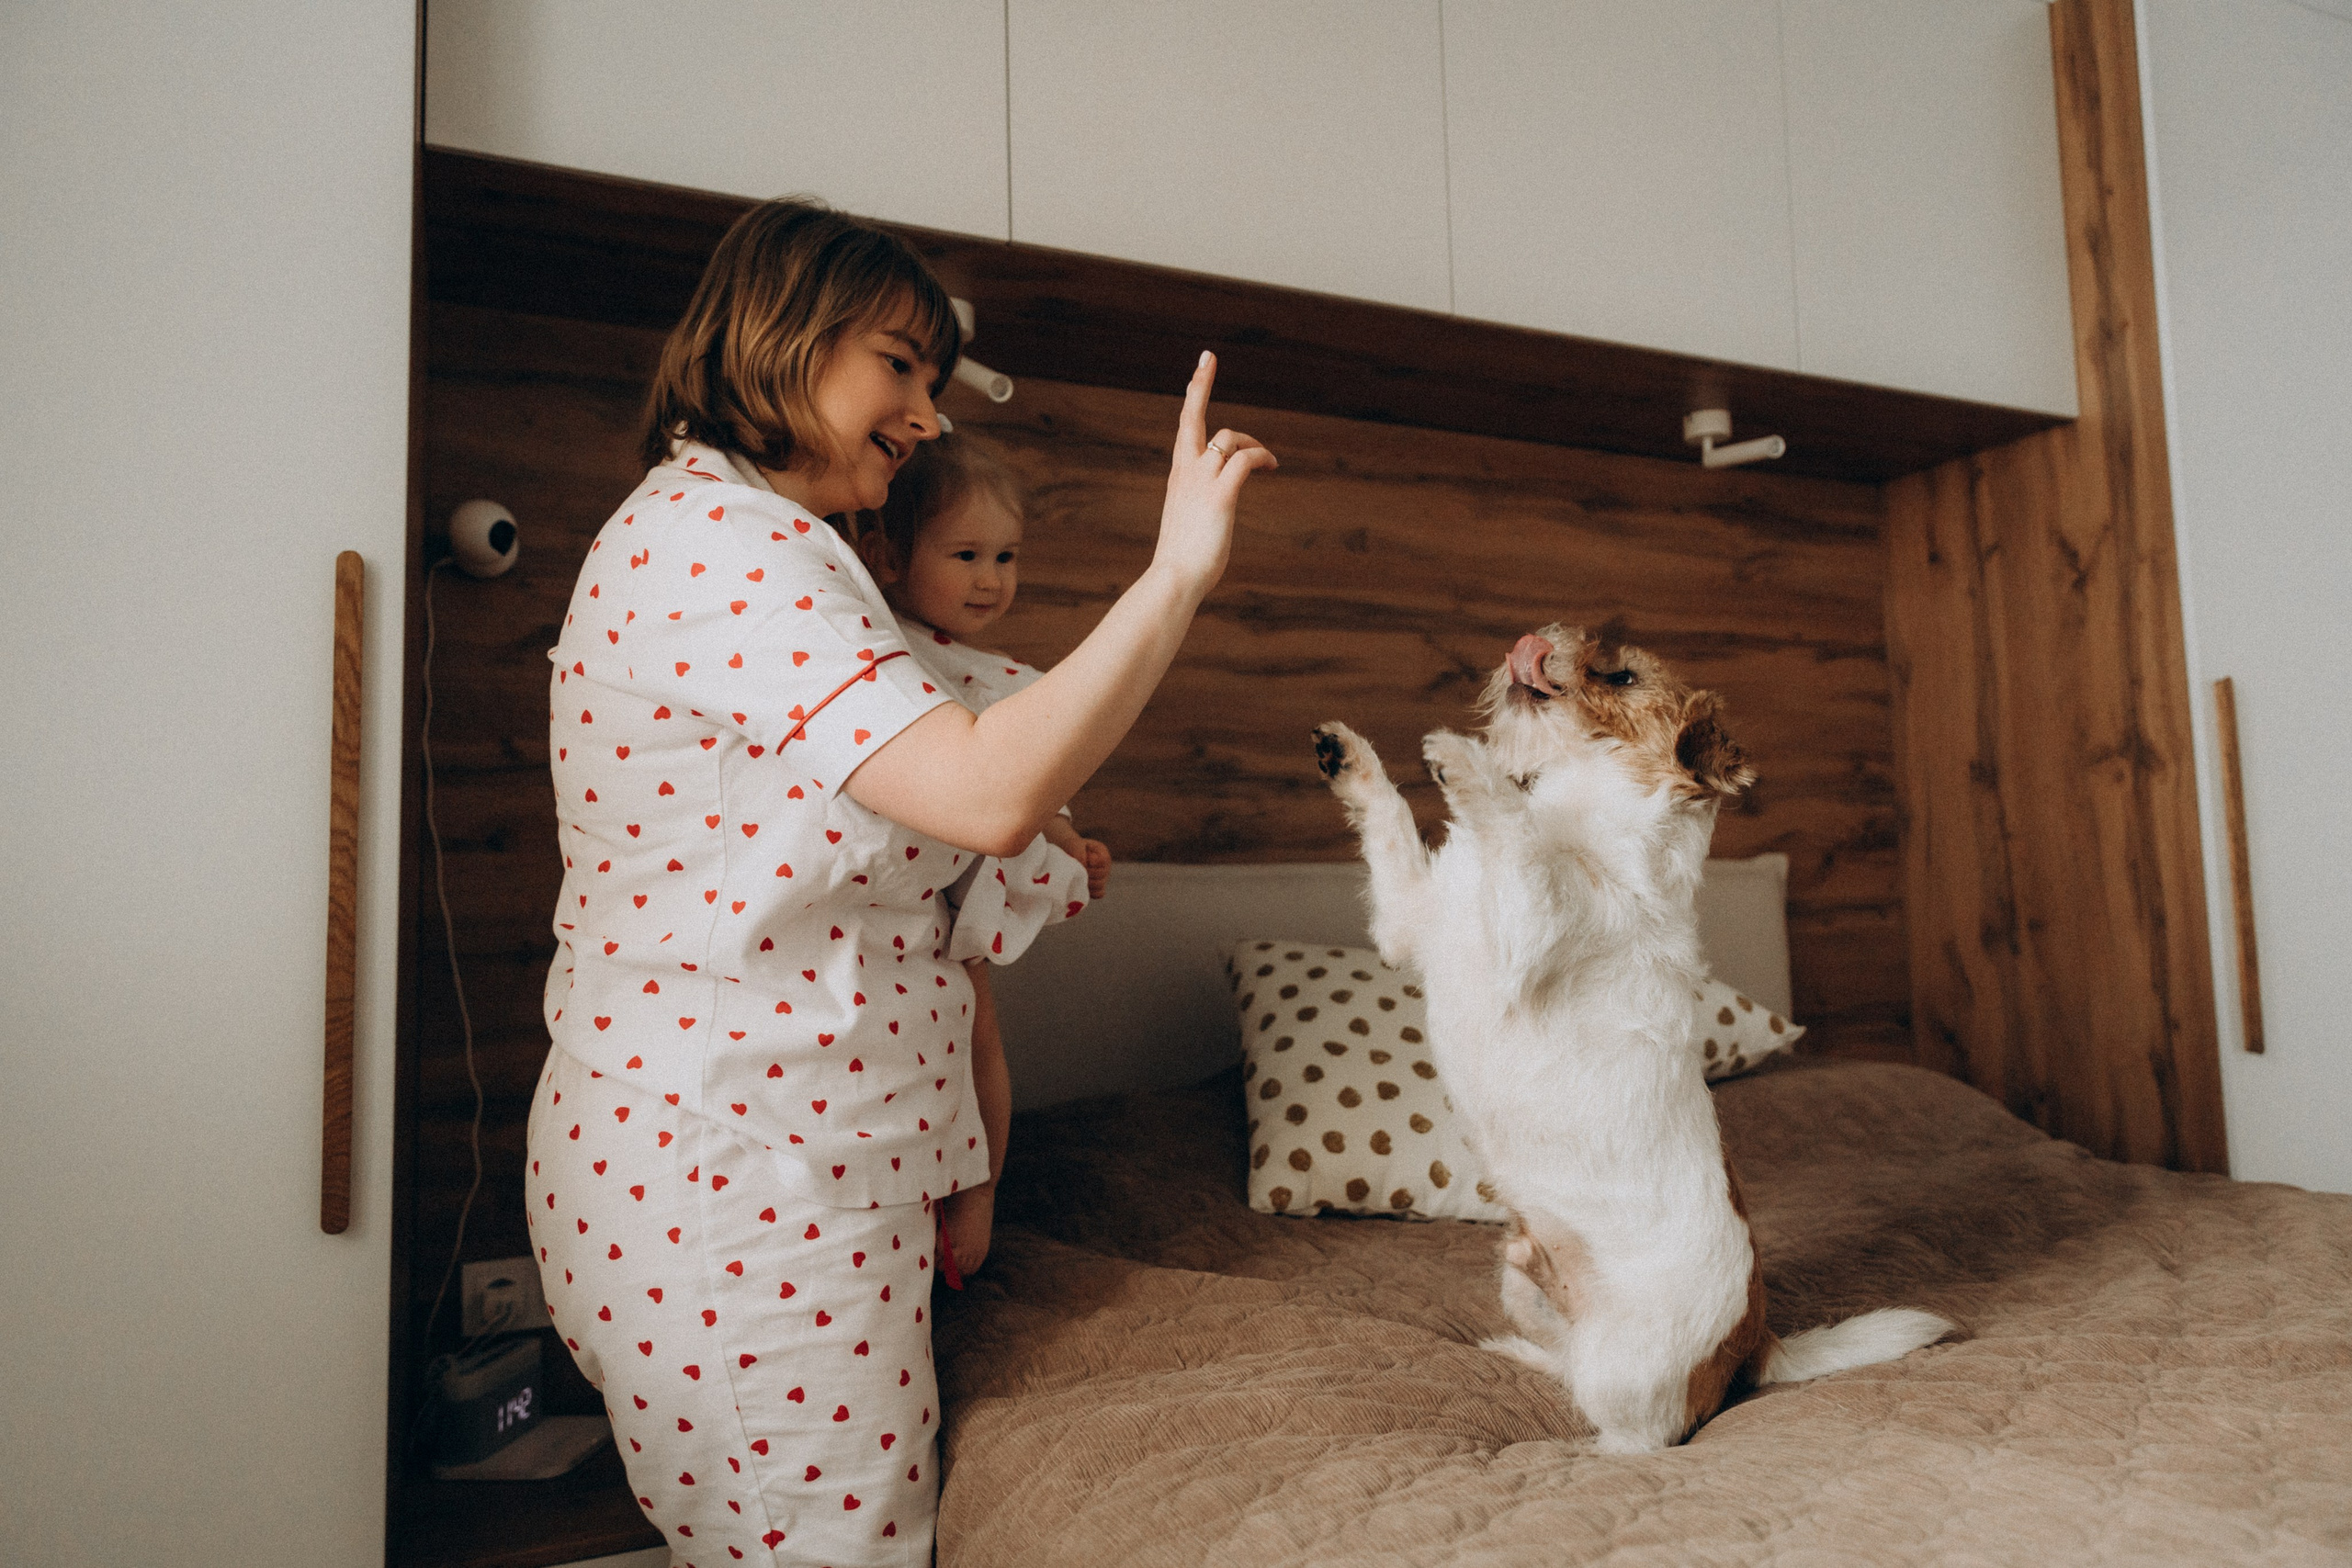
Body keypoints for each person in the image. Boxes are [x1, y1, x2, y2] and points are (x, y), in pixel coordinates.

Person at [523, 197, 1272, 1568]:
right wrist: (1175, 576)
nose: (926, 413)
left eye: (933, 377)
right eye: (900, 366)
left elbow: (899, 837)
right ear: (785, 336)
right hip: (740, 1173)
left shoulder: (773, 547)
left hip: (789, 1160)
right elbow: (985, 792)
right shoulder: (720, 551)